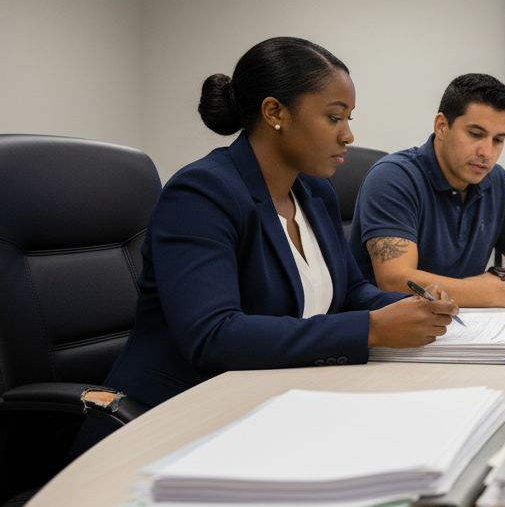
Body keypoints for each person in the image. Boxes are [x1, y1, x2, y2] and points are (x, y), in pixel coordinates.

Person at [102, 37, 459, 409]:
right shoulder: (201, 194)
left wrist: (415, 304)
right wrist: (372, 329)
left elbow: (352, 294)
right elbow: (214, 335)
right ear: (275, 113)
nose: (348, 135)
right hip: (177, 410)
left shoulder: (316, 193)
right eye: (334, 117)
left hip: (276, 400)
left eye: (348, 119)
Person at [349, 73, 505, 308]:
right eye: (475, 134)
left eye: (498, 140)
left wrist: (488, 282)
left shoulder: (496, 180)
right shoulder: (393, 177)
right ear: (441, 126)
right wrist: (499, 292)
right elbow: (396, 280)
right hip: (391, 333)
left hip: (464, 326)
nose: (487, 152)